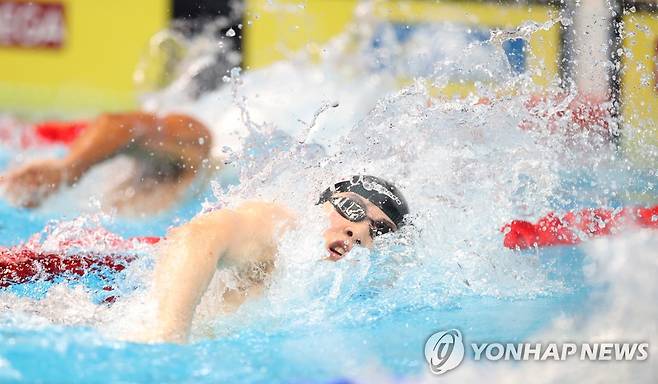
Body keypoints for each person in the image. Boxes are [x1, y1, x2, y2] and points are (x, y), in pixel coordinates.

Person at [143, 175, 409, 343]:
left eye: (380, 231)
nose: (359, 230)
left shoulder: (360, 297)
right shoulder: (281, 232)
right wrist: (170, 336)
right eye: (352, 208)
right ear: (323, 203)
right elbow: (200, 235)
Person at [0, 112, 213, 215]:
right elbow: (119, 125)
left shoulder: (197, 160)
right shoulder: (182, 146)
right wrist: (68, 168)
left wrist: (69, 168)